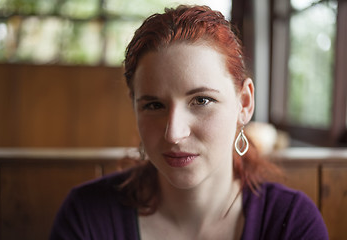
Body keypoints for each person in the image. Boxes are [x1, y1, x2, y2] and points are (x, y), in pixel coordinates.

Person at [50, 5, 328, 240]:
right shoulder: (87, 216)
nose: (174, 133)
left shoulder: (291, 223)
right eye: (153, 105)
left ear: (244, 103)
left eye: (202, 101)